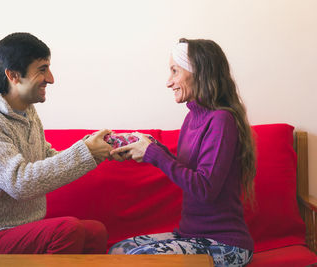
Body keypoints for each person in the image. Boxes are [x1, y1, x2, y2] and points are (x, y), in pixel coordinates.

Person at [0, 32, 114, 255]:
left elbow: (45, 156)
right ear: (13, 75)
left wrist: (97, 151)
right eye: (42, 69)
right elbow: (19, 183)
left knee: (95, 232)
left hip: (24, 229)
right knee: (67, 230)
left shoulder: (26, 110)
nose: (51, 78)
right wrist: (85, 152)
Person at [109, 38, 256, 267]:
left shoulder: (221, 120)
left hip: (225, 245)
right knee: (119, 250)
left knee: (135, 259)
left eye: (174, 71)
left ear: (198, 72)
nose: (169, 82)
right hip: (192, 236)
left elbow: (205, 189)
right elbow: (188, 172)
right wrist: (153, 147)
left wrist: (154, 154)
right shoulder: (192, 117)